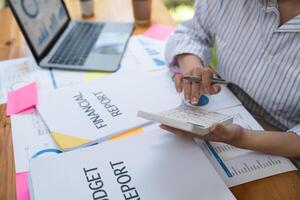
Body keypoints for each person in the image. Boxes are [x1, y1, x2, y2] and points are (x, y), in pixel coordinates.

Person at [161, 0, 300, 162]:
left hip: (279, 144)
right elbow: (190, 33)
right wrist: (193, 67)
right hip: (222, 107)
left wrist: (242, 138)